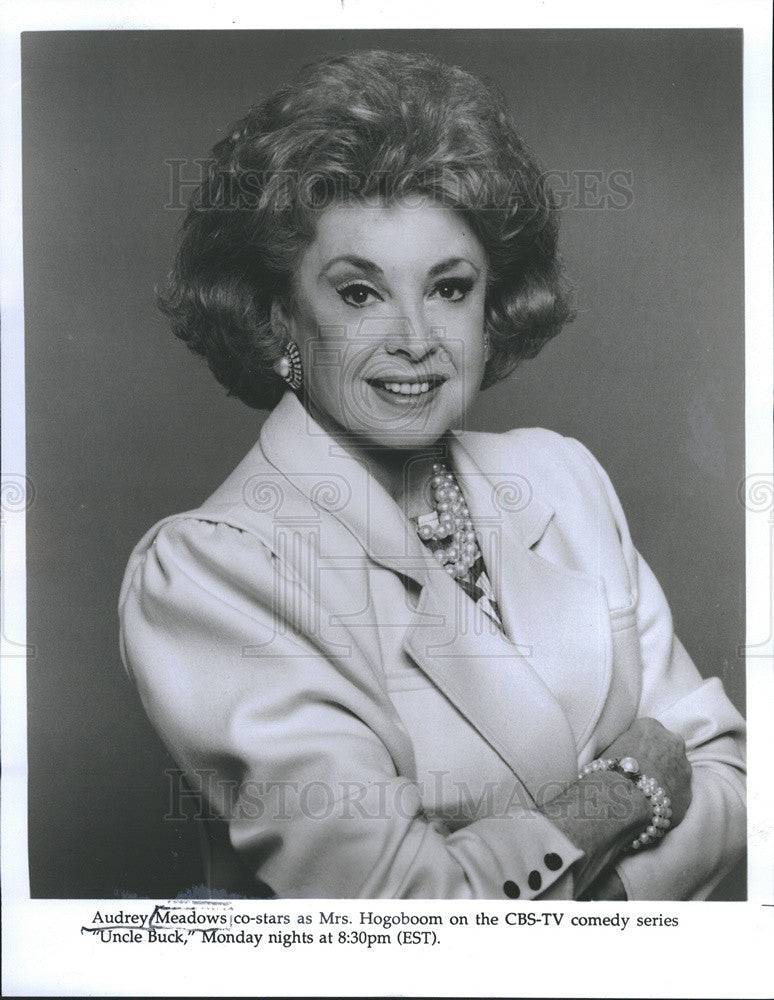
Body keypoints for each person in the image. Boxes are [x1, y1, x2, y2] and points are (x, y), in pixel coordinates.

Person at [118, 49, 746, 900]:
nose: (416, 339)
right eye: (360, 293)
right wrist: (622, 795)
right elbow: (410, 911)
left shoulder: (561, 479)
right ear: (277, 318)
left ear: (493, 308)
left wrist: (565, 893)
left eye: (449, 288)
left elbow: (731, 779)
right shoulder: (212, 570)